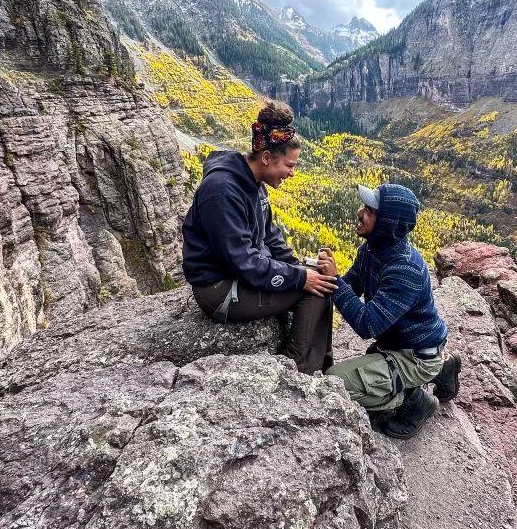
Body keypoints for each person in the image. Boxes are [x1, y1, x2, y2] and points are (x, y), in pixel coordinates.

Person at [183, 100, 337, 374]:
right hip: (219, 290)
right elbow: (242, 261)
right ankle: (298, 371)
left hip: (238, 277)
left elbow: (271, 236)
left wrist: (300, 268)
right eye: (289, 165)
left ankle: (321, 367)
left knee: (319, 278)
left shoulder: (254, 184)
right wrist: (300, 278)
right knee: (315, 291)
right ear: (266, 157)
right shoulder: (222, 191)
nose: (292, 173)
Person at [319, 183, 460, 439]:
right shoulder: (371, 250)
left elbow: (367, 325)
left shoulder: (404, 270)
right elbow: (352, 283)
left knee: (334, 383)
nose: (360, 212)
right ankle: (443, 366)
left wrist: (336, 283)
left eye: (370, 211)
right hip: (404, 344)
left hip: (414, 356)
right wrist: (323, 280)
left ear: (386, 223)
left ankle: (414, 401)